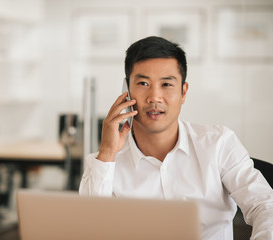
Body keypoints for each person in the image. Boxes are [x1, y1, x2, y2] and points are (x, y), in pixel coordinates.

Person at [79, 36, 273, 239]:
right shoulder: (107, 164)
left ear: (183, 92)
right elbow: (88, 230)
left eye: (166, 84)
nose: (154, 97)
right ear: (126, 91)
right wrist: (107, 152)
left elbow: (264, 205)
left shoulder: (218, 143)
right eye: (143, 83)